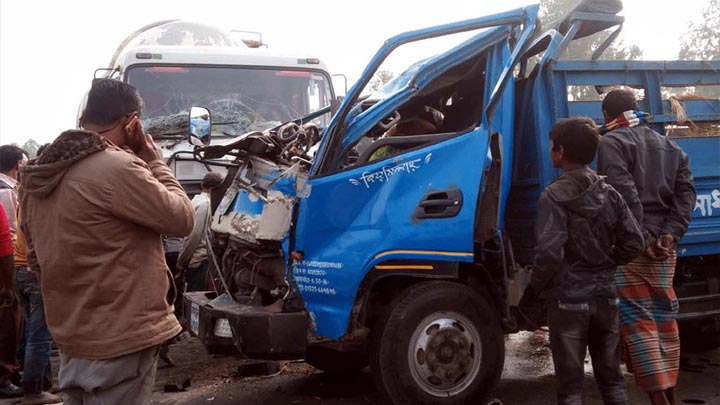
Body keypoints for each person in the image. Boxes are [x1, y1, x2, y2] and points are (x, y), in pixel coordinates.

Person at [19, 78, 194, 404]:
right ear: (133, 122)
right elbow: (183, 218)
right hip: (122, 336)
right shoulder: (118, 166)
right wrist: (154, 161)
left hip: (73, 334)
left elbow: (35, 260)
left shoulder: (39, 175)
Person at [521, 117, 644, 405]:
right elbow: (635, 242)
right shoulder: (609, 192)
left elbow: (550, 253)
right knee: (612, 381)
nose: (550, 150)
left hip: (568, 300)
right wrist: (604, 263)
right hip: (605, 297)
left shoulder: (553, 196)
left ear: (560, 152)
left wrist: (532, 290)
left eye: (552, 146)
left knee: (571, 387)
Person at [597, 89, 696, 405]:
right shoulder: (671, 147)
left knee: (639, 326)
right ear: (636, 109)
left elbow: (624, 194)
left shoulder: (611, 143)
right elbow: (685, 196)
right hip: (664, 250)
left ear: (607, 116)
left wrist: (643, 237)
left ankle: (660, 401)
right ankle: (670, 394)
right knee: (665, 322)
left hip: (633, 249)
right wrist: (669, 235)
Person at [14, 143, 62, 404]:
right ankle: (33, 390)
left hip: (19, 270)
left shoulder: (27, 192)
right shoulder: (42, 195)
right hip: (33, 272)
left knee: (32, 330)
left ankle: (40, 384)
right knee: (40, 333)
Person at [0, 145, 27, 399]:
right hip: (7, 266)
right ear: (18, 164)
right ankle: (5, 375)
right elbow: (8, 237)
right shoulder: (7, 192)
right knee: (9, 321)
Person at [176, 172, 224, 292]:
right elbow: (194, 236)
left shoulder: (195, 201)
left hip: (194, 261)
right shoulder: (205, 205)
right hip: (199, 262)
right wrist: (181, 262)